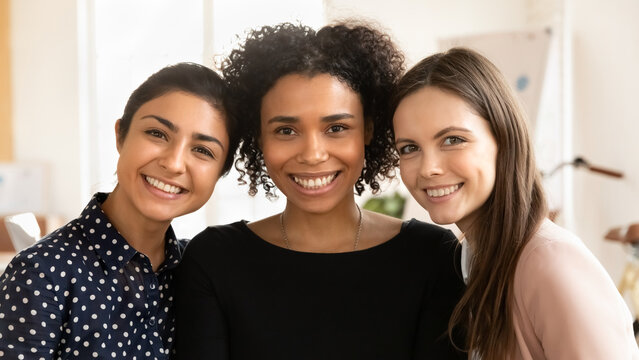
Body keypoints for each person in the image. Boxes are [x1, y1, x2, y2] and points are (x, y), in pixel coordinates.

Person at [175, 22, 466, 359]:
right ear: (259, 139)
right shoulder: (213, 261)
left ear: (369, 129)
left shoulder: (431, 257)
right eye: (286, 130)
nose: (313, 154)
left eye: (336, 128)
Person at [392, 47, 639, 359]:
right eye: (409, 147)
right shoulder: (472, 256)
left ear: (503, 139)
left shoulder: (548, 262)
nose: (428, 168)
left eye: (453, 140)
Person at [0, 62, 239, 359]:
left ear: (220, 173)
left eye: (203, 150)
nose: (174, 163)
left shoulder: (199, 271)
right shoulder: (42, 273)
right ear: (120, 135)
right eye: (157, 133)